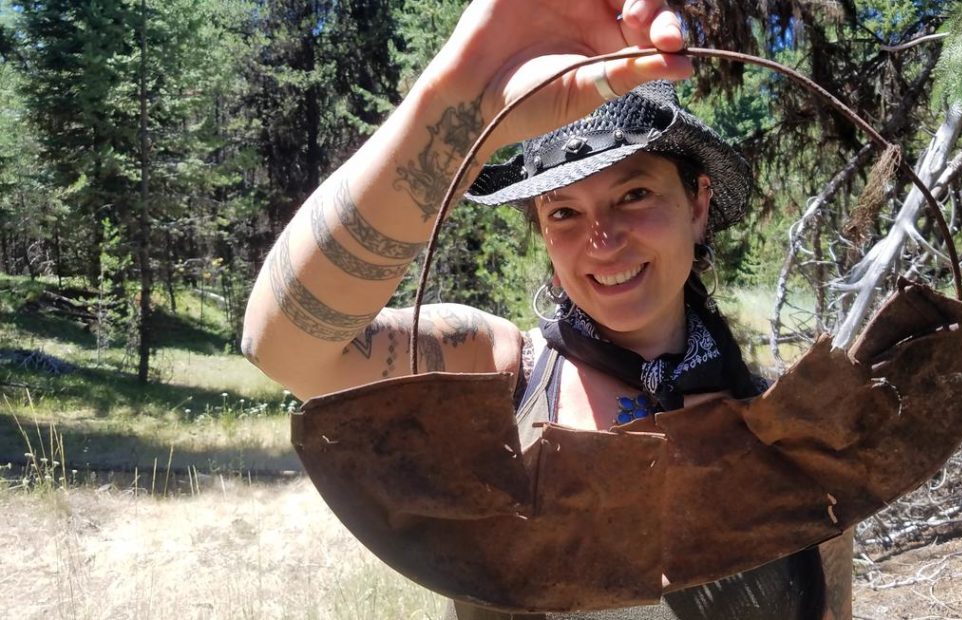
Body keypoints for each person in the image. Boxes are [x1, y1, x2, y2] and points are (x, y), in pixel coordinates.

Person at [242, 1, 853, 618]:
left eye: (634, 193)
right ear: (542, 231)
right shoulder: (501, 375)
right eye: (564, 212)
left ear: (697, 204)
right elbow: (287, 344)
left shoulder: (785, 430)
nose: (603, 239)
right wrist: (453, 108)